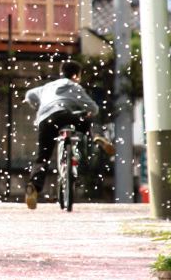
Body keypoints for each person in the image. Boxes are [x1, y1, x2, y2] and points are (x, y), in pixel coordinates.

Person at [23, 60, 115, 209]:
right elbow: (94, 108)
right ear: (75, 75)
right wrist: (85, 110)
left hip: (45, 118)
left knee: (43, 157)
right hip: (64, 114)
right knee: (87, 122)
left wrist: (38, 107)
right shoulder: (74, 86)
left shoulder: (47, 87)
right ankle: (97, 136)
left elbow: (29, 95)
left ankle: (33, 186)